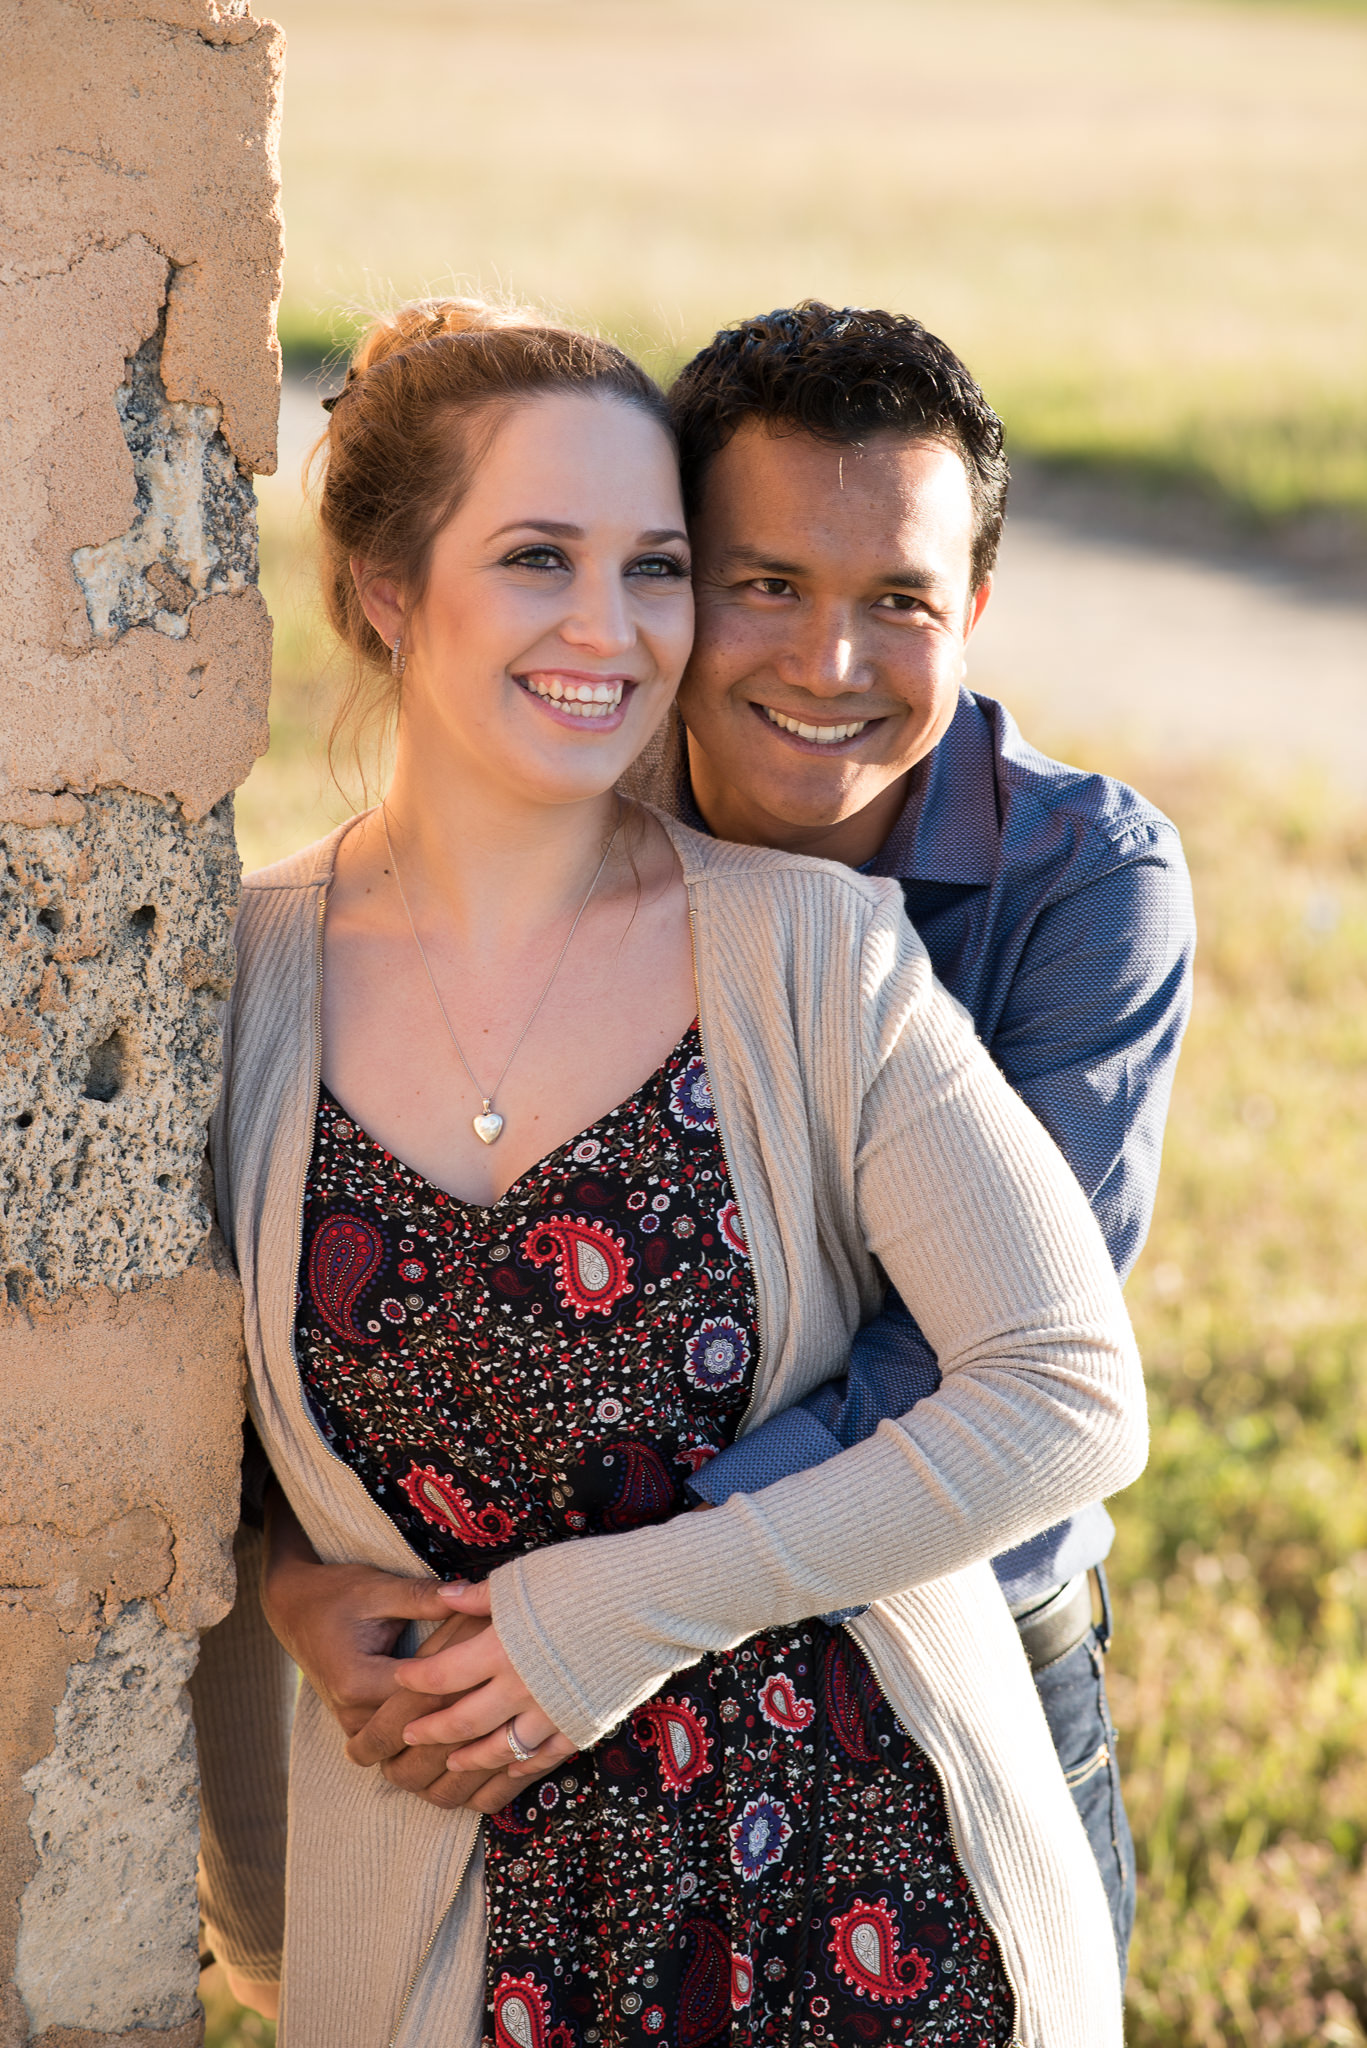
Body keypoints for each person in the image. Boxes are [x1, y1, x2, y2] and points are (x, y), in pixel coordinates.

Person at [199, 296, 1145, 2046]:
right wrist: (289, 1578)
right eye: (540, 556)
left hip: (859, 1898)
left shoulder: (820, 948)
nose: (610, 627)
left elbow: (1066, 1391)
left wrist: (614, 1604)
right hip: (462, 1912)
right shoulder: (235, 989)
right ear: (390, 591)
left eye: (652, 568)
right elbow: (186, 1426)